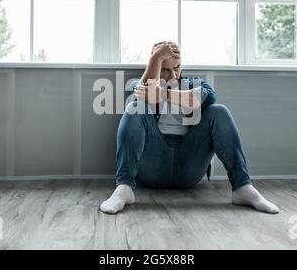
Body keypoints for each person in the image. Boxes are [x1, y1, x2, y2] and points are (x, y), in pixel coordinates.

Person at [99, 41, 279, 214]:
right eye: (165, 69)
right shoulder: (137, 84)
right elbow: (138, 99)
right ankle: (124, 188)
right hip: (152, 165)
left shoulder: (196, 84)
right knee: (134, 108)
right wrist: (156, 58)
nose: (173, 75)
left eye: (176, 68)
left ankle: (242, 188)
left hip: (188, 166)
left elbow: (202, 99)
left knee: (219, 111)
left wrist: (163, 93)